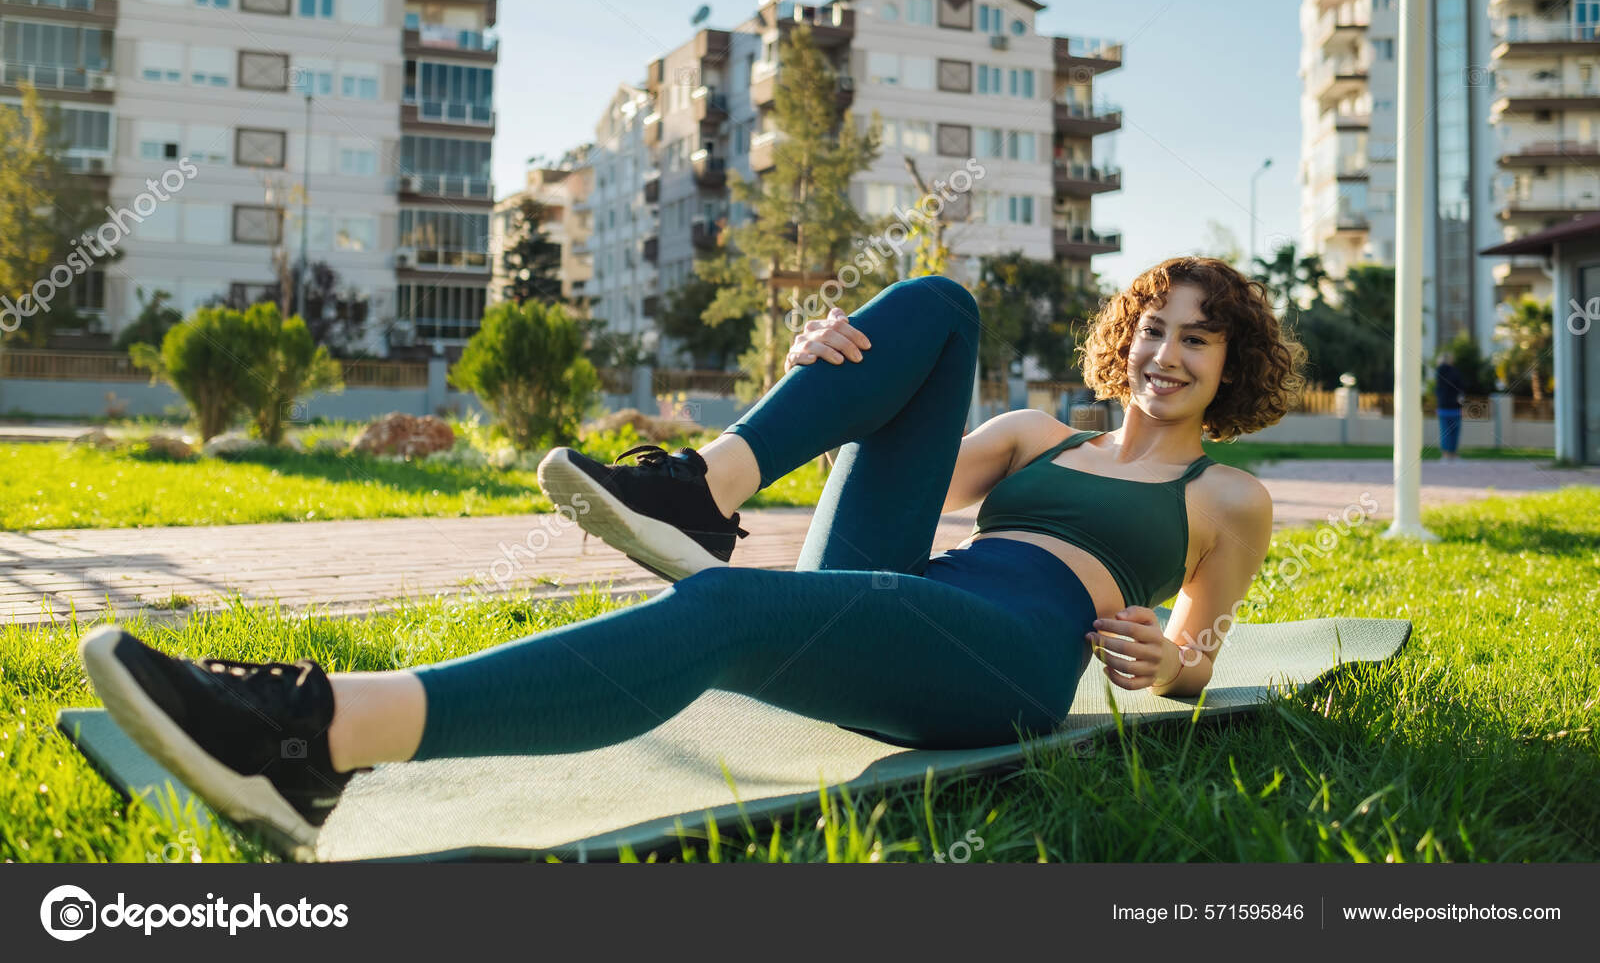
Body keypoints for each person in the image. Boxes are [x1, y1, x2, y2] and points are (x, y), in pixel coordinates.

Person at [79, 257, 1307, 859]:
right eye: (1155, 328)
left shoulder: (1223, 495)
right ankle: (704, 485)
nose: (1169, 355)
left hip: (1017, 656)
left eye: (1199, 342)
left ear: (1228, 364)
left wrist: (1166, 662)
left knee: (723, 614)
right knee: (935, 307)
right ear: (1124, 336)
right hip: (915, 598)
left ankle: (318, 736)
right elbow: (887, 458)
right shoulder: (1035, 435)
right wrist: (841, 356)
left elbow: (1202, 649)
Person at [1434, 350, 1467, 463]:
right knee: (1454, 432)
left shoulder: (1438, 372)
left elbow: (1438, 390)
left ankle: (1445, 454)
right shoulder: (1456, 372)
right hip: (1455, 408)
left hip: (1443, 407)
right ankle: (1453, 454)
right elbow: (1461, 390)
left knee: (1445, 431)